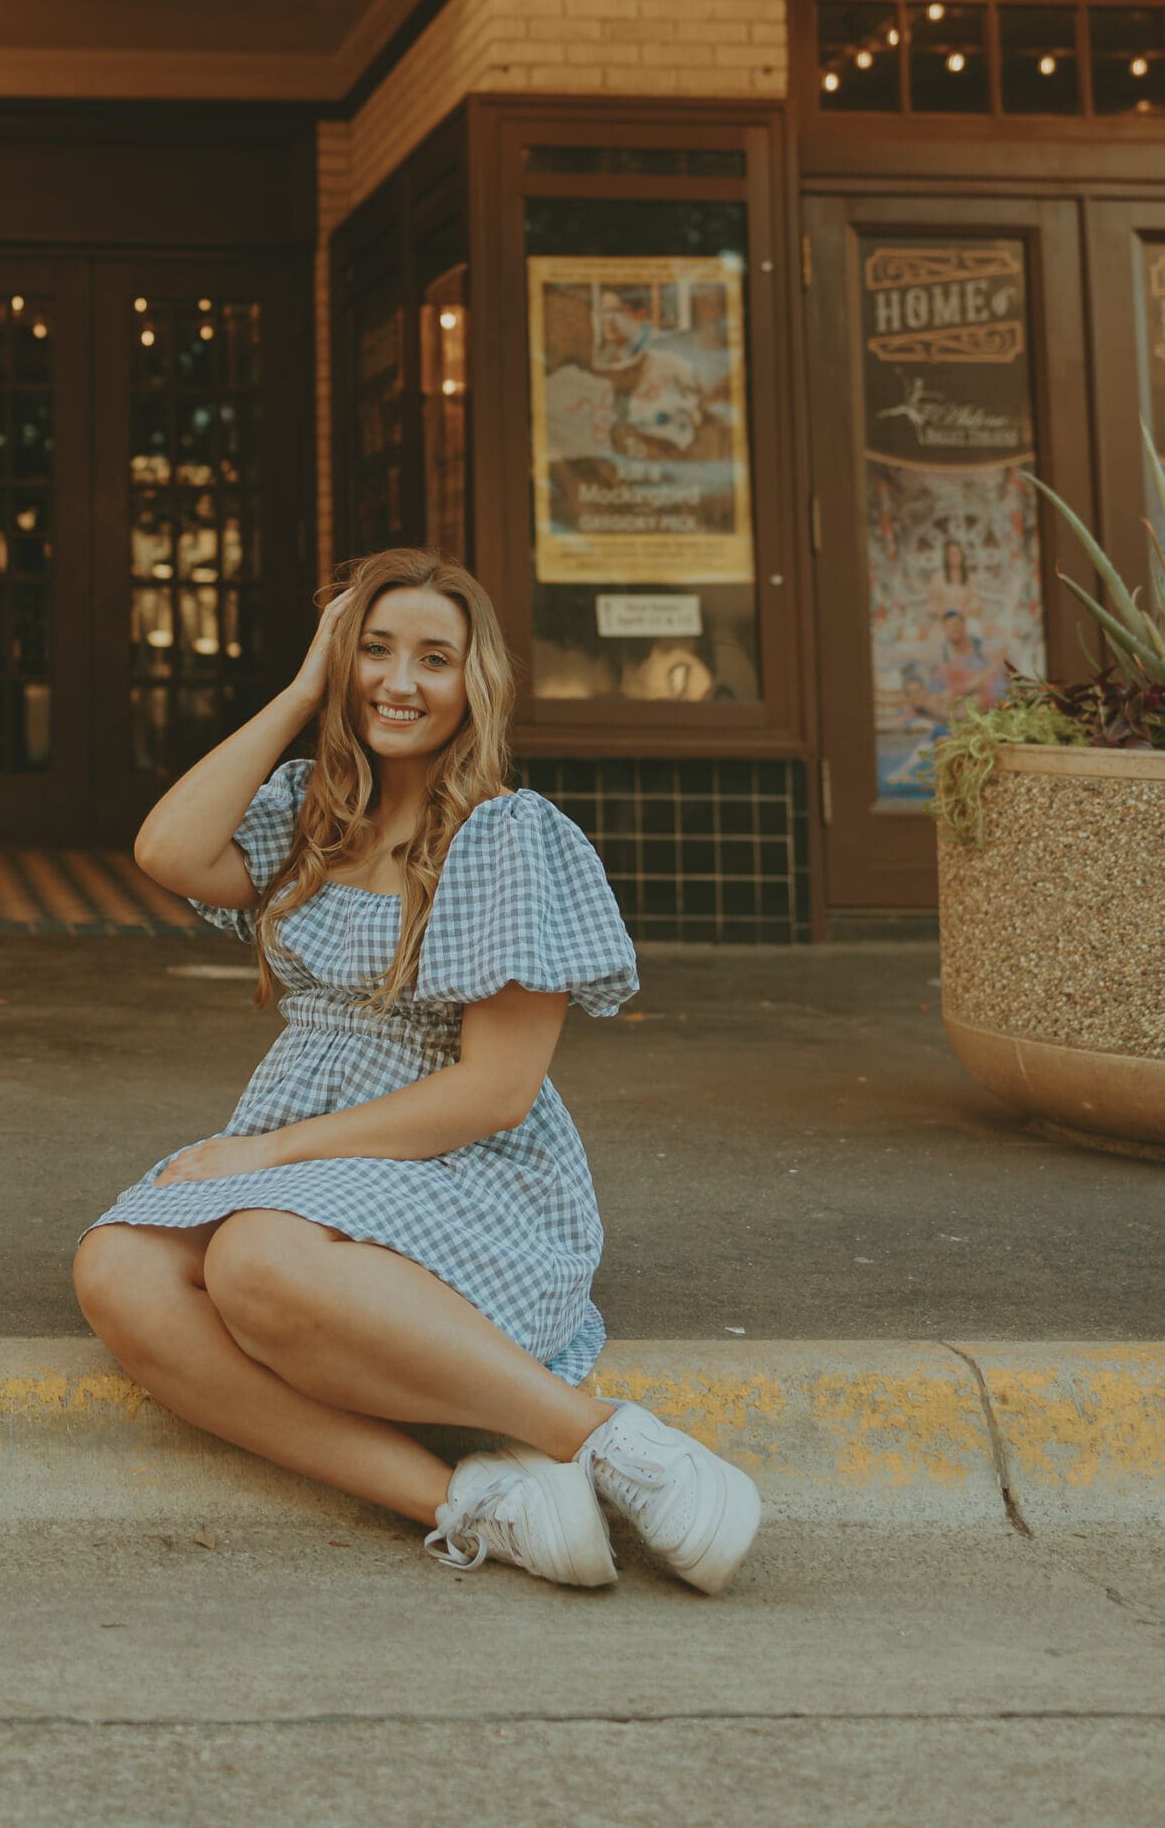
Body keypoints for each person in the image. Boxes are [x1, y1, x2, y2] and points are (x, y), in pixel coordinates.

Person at [73, 547, 762, 1596]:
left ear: (473, 683)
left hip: (463, 1170)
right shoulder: (313, 812)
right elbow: (167, 849)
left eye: (433, 659)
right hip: (311, 1154)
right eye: (376, 652)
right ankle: (474, 1504)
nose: (399, 682)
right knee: (116, 1270)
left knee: (254, 1256)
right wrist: (301, 690)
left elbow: (495, 1091)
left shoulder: (505, 835)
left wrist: (269, 1153)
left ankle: (611, 1442)